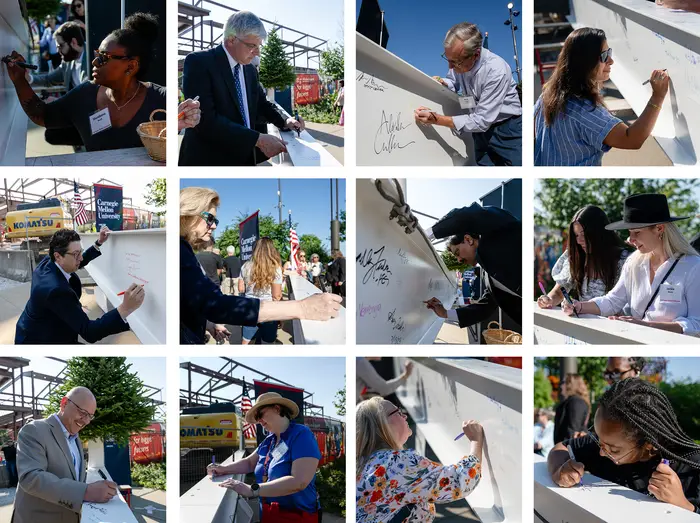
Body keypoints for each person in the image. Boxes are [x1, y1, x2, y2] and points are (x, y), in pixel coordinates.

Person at [180, 187, 342, 344]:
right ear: (187, 214)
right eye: (210, 219)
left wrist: (207, 324)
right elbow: (215, 304)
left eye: (215, 221)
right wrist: (302, 308)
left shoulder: (184, 250)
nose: (214, 226)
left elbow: (193, 303)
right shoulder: (180, 249)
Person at [3, 13, 168, 153]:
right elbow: (42, 115)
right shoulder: (85, 93)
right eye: (97, 54)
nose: (95, 62)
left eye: (104, 57)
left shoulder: (162, 101)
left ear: (131, 66)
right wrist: (19, 80)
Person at [548, 378, 700, 513]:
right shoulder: (605, 442)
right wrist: (559, 469)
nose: (601, 452)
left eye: (614, 449)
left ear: (648, 444)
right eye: (598, 439)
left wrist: (682, 505)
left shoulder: (692, 466)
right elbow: (560, 448)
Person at [179, 10, 305, 166]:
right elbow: (205, 120)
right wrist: (257, 139)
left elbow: (262, 103)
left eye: (259, 46)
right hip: (211, 160)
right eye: (252, 45)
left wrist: (287, 120)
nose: (257, 52)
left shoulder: (249, 70)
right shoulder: (199, 62)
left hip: (244, 159)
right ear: (232, 39)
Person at [563, 194, 700, 335]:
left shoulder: (693, 266)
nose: (630, 239)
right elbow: (612, 301)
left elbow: (697, 323)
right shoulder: (633, 262)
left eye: (637, 232)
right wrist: (579, 306)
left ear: (659, 229)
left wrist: (646, 326)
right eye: (629, 232)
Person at [535, 28, 669, 166]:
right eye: (604, 56)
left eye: (609, 53)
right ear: (586, 61)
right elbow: (631, 139)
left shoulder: (546, 95)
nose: (611, 61)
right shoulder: (585, 111)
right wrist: (657, 97)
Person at [356, 396, 483, 522]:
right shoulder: (396, 462)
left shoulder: (362, 461)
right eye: (398, 412)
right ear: (382, 423)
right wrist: (475, 440)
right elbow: (459, 482)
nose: (405, 416)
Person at [14, 227, 145, 344]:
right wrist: (125, 308)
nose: (80, 258)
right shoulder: (56, 290)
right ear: (58, 256)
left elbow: (76, 262)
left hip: (39, 324)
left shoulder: (50, 261)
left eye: (80, 252)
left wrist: (98, 243)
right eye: (76, 254)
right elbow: (90, 332)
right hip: (41, 339)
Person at [416, 22, 522, 166]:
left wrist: (437, 119)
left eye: (456, 62)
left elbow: (482, 120)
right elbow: (454, 81)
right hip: (479, 132)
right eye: (448, 60)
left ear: (475, 54)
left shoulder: (496, 69)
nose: (450, 66)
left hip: (506, 131)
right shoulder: (459, 62)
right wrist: (445, 83)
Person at [207, 392, 321, 521]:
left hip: (297, 516)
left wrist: (252, 490)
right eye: (256, 418)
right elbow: (250, 463)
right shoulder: (269, 440)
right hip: (270, 513)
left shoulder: (301, 434)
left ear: (277, 409)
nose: (259, 421)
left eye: (260, 414)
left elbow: (299, 482)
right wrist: (223, 469)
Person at [13, 387, 119, 523]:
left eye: (90, 416)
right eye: (82, 412)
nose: (86, 421)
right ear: (64, 403)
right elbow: (31, 478)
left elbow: (72, 476)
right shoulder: (33, 430)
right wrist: (86, 491)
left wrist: (95, 486)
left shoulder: (75, 438)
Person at [424, 203, 522, 333]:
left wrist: (428, 234)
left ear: (468, 239)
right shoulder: (488, 276)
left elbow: (471, 215)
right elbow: (484, 308)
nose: (459, 260)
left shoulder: (499, 230)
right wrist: (446, 313)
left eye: (457, 252)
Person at [538, 205, 632, 310]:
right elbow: (560, 292)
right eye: (576, 235)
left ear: (599, 232)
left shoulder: (624, 260)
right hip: (583, 322)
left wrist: (581, 307)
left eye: (584, 234)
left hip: (612, 324)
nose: (579, 241)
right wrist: (549, 299)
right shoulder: (576, 255)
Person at [238, 238, 283, 345]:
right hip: (268, 309)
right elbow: (277, 296)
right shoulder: (275, 268)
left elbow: (241, 288)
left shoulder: (245, 266)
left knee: (247, 341)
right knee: (267, 343)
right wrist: (281, 316)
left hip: (250, 307)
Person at [554, 374, 590, 445]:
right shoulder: (573, 401)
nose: (561, 386)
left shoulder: (576, 402)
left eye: (564, 382)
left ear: (570, 384)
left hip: (568, 449)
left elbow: (573, 430)